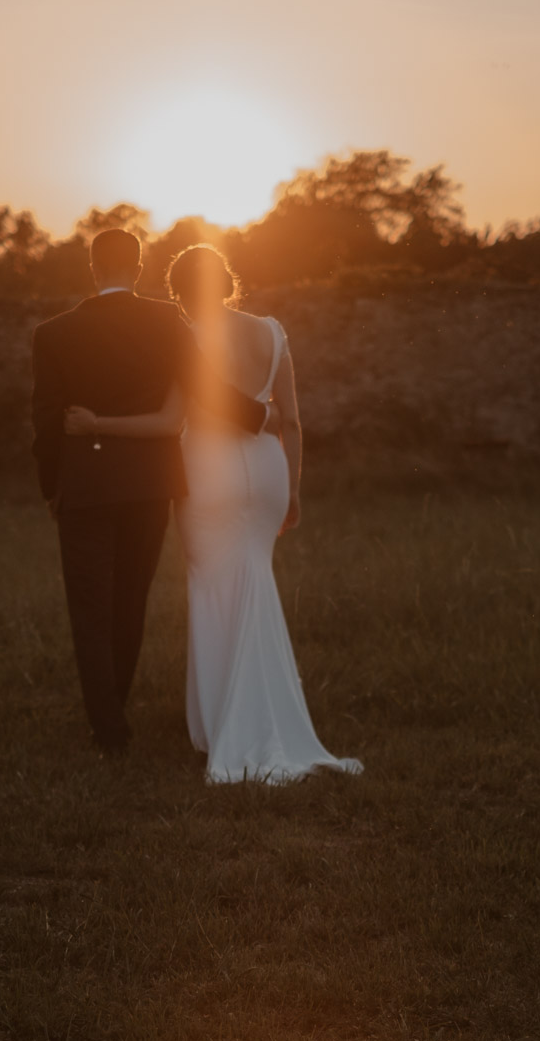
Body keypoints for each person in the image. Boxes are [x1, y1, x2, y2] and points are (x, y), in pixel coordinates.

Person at [63, 245, 361, 784]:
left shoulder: (186, 337)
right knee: (256, 582)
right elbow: (292, 422)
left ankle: (221, 725)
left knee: (210, 588)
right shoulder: (273, 331)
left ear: (178, 292)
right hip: (269, 473)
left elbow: (180, 414)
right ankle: (261, 713)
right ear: (226, 281)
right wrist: (292, 492)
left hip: (209, 471)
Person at [30, 230, 271, 755]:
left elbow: (46, 423)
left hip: (86, 487)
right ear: (137, 268)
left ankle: (109, 728)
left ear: (93, 268)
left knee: (90, 607)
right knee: (130, 600)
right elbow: (207, 386)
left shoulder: (53, 334)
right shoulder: (168, 321)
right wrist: (263, 416)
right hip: (149, 486)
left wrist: (54, 486)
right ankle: (112, 706)